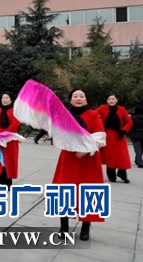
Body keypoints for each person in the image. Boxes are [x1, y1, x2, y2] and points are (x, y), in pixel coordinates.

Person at [53, 88, 105, 241]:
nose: (78, 98)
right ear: (70, 100)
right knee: (64, 190)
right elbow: (57, 133)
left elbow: (100, 135)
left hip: (88, 159)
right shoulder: (64, 115)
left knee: (88, 192)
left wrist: (84, 149)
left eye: (82, 96)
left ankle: (86, 227)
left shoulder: (93, 115)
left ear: (86, 100)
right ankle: (64, 226)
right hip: (69, 158)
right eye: (75, 96)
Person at [96, 93, 133, 183]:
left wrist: (124, 131)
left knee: (122, 156)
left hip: (119, 135)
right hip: (107, 135)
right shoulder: (102, 108)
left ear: (116, 100)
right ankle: (111, 176)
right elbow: (94, 115)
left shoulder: (122, 109)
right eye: (109, 99)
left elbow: (129, 122)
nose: (111, 101)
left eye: (113, 99)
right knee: (110, 156)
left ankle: (122, 174)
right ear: (107, 101)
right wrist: (99, 127)